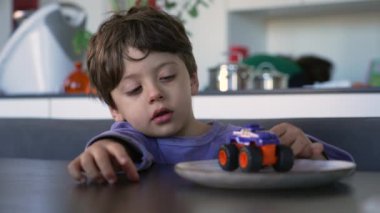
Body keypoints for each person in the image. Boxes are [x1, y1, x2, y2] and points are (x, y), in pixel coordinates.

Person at [67, 6, 353, 184]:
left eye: (167, 77)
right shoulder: (134, 144)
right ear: (115, 110)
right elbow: (122, 141)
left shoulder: (234, 140)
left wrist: (309, 150)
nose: (155, 93)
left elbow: (341, 166)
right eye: (134, 90)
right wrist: (104, 148)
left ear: (192, 80)